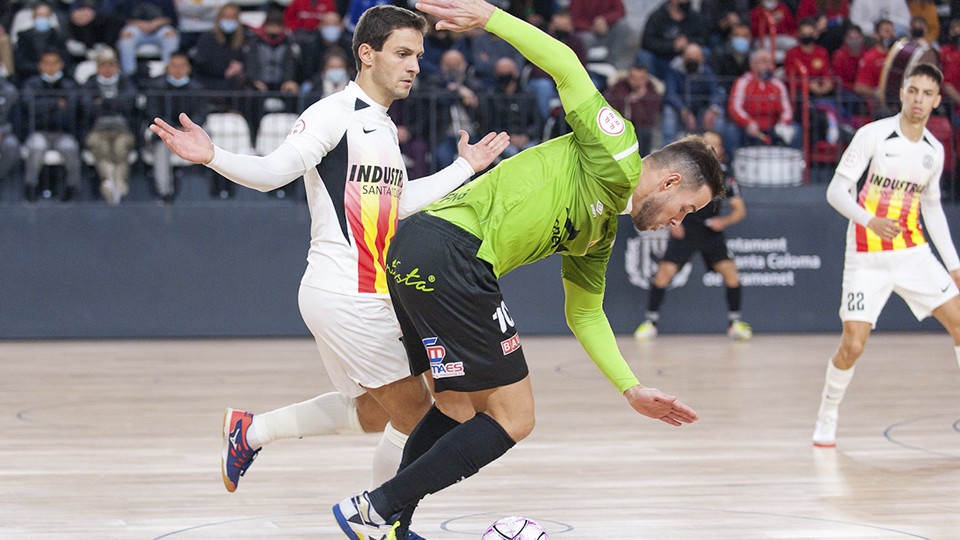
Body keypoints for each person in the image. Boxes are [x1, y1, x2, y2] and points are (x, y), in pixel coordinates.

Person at [331, 1, 724, 537]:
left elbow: (585, 314)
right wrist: (491, 17)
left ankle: (391, 522)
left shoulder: (601, 230)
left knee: (455, 406)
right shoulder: (619, 151)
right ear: (671, 183)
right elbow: (565, 63)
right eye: (688, 209)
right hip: (453, 252)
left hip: (415, 253)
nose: (680, 223)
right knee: (516, 418)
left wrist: (630, 389)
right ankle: (374, 509)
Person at [148, 5, 509, 517]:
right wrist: (213, 157)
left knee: (369, 413)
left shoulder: (380, 126)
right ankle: (381, 520)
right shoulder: (331, 115)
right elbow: (274, 172)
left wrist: (462, 167)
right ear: (367, 54)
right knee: (416, 416)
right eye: (403, 54)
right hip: (348, 295)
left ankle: (250, 432)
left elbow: (398, 202)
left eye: (419, 57)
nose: (414, 66)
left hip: (365, 294)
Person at [812, 63, 960, 448]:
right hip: (867, 255)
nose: (918, 99)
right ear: (902, 93)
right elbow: (836, 192)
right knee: (853, 345)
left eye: (927, 94)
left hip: (913, 253)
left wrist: (954, 265)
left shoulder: (934, 150)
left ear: (937, 100)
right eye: (913, 91)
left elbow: (932, 208)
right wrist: (869, 220)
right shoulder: (874, 135)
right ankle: (828, 413)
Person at [634, 130, 751, 342]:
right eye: (707, 145)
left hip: (710, 233)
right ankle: (650, 323)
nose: (711, 150)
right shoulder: (686, 172)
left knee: (731, 273)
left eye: (715, 146)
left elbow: (739, 210)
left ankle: (735, 323)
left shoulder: (725, 176)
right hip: (684, 231)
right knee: (663, 274)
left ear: (721, 151)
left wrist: (722, 222)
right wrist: (672, 225)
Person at [142, 52, 208, 202]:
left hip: (191, 133)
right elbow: (152, 113)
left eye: (181, 66)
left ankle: (206, 193)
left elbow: (202, 113)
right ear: (167, 68)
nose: (178, 70)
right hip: (165, 135)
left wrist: (188, 128)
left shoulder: (197, 89)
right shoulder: (156, 88)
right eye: (174, 66)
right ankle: (165, 193)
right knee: (161, 150)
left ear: (188, 68)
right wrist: (173, 129)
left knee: (209, 141)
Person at [22, 49, 82, 202]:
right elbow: (30, 106)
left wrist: (44, 106)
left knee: (70, 148)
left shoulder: (68, 84)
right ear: (40, 66)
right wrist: (57, 104)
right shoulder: (32, 83)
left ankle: (71, 189)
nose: (50, 67)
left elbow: (72, 108)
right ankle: (30, 187)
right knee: (36, 147)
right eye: (46, 63)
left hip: (62, 132)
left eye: (54, 63)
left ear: (61, 65)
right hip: (38, 131)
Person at [80, 47, 137, 204]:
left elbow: (130, 103)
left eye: (111, 65)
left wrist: (103, 102)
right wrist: (114, 102)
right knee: (101, 148)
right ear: (98, 68)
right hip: (97, 130)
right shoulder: (90, 83)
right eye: (103, 65)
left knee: (120, 149)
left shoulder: (125, 82)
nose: (107, 69)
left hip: (123, 130)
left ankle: (117, 184)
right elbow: (87, 107)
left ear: (117, 66)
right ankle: (110, 182)